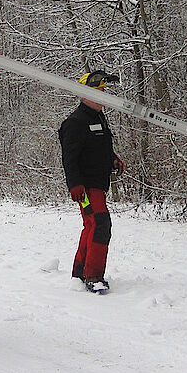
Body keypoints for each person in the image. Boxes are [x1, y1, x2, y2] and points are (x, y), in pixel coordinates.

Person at [59, 70, 124, 294]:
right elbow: (69, 158)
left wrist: (113, 159)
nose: (104, 96)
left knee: (92, 224)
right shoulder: (75, 122)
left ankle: (80, 272)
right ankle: (93, 276)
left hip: (99, 183)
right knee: (101, 223)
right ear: (86, 94)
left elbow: (100, 147)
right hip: (86, 187)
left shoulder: (98, 118)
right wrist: (75, 184)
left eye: (104, 91)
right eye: (99, 92)